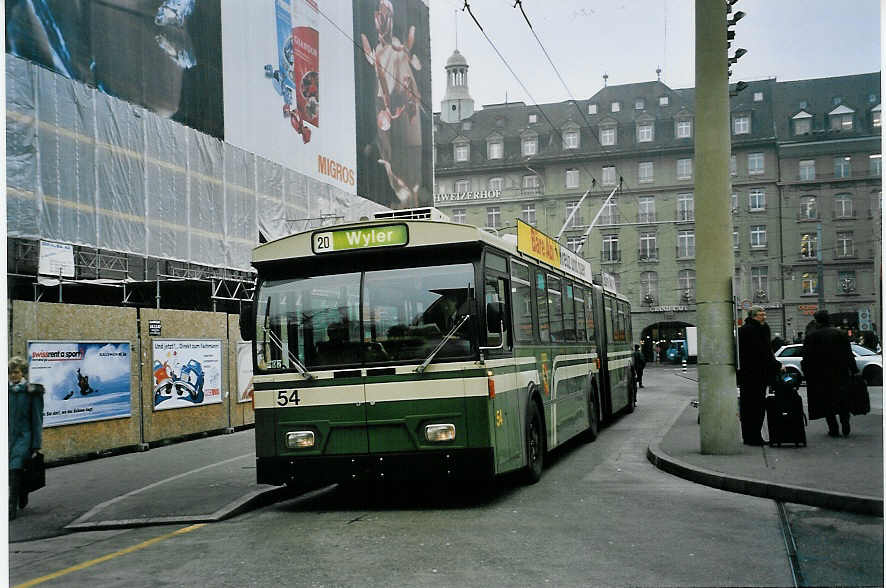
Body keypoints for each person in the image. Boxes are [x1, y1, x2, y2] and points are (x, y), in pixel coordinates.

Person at [801, 310, 858, 437]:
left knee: (827, 402)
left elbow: (807, 357)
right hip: (841, 372)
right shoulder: (841, 333)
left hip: (821, 374)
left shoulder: (812, 336)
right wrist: (854, 370)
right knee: (842, 400)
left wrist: (807, 373)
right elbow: (849, 354)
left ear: (817, 321)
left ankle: (833, 428)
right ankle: (845, 422)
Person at [737, 306, 782, 446]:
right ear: (753, 316)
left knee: (747, 406)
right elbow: (765, 351)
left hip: (746, 374)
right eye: (760, 314)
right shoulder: (758, 330)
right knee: (757, 407)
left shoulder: (743, 330)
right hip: (757, 374)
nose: (764, 317)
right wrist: (777, 366)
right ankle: (755, 437)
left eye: (764, 314)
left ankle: (749, 437)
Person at [8, 356, 44, 520]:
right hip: (8, 437)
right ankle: (23, 491)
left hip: (24, 438)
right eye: (10, 372)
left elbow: (37, 419)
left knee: (14, 468)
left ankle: (10, 508)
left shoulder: (31, 392)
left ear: (22, 373)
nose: (13, 375)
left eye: (16, 372)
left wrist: (36, 444)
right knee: (13, 471)